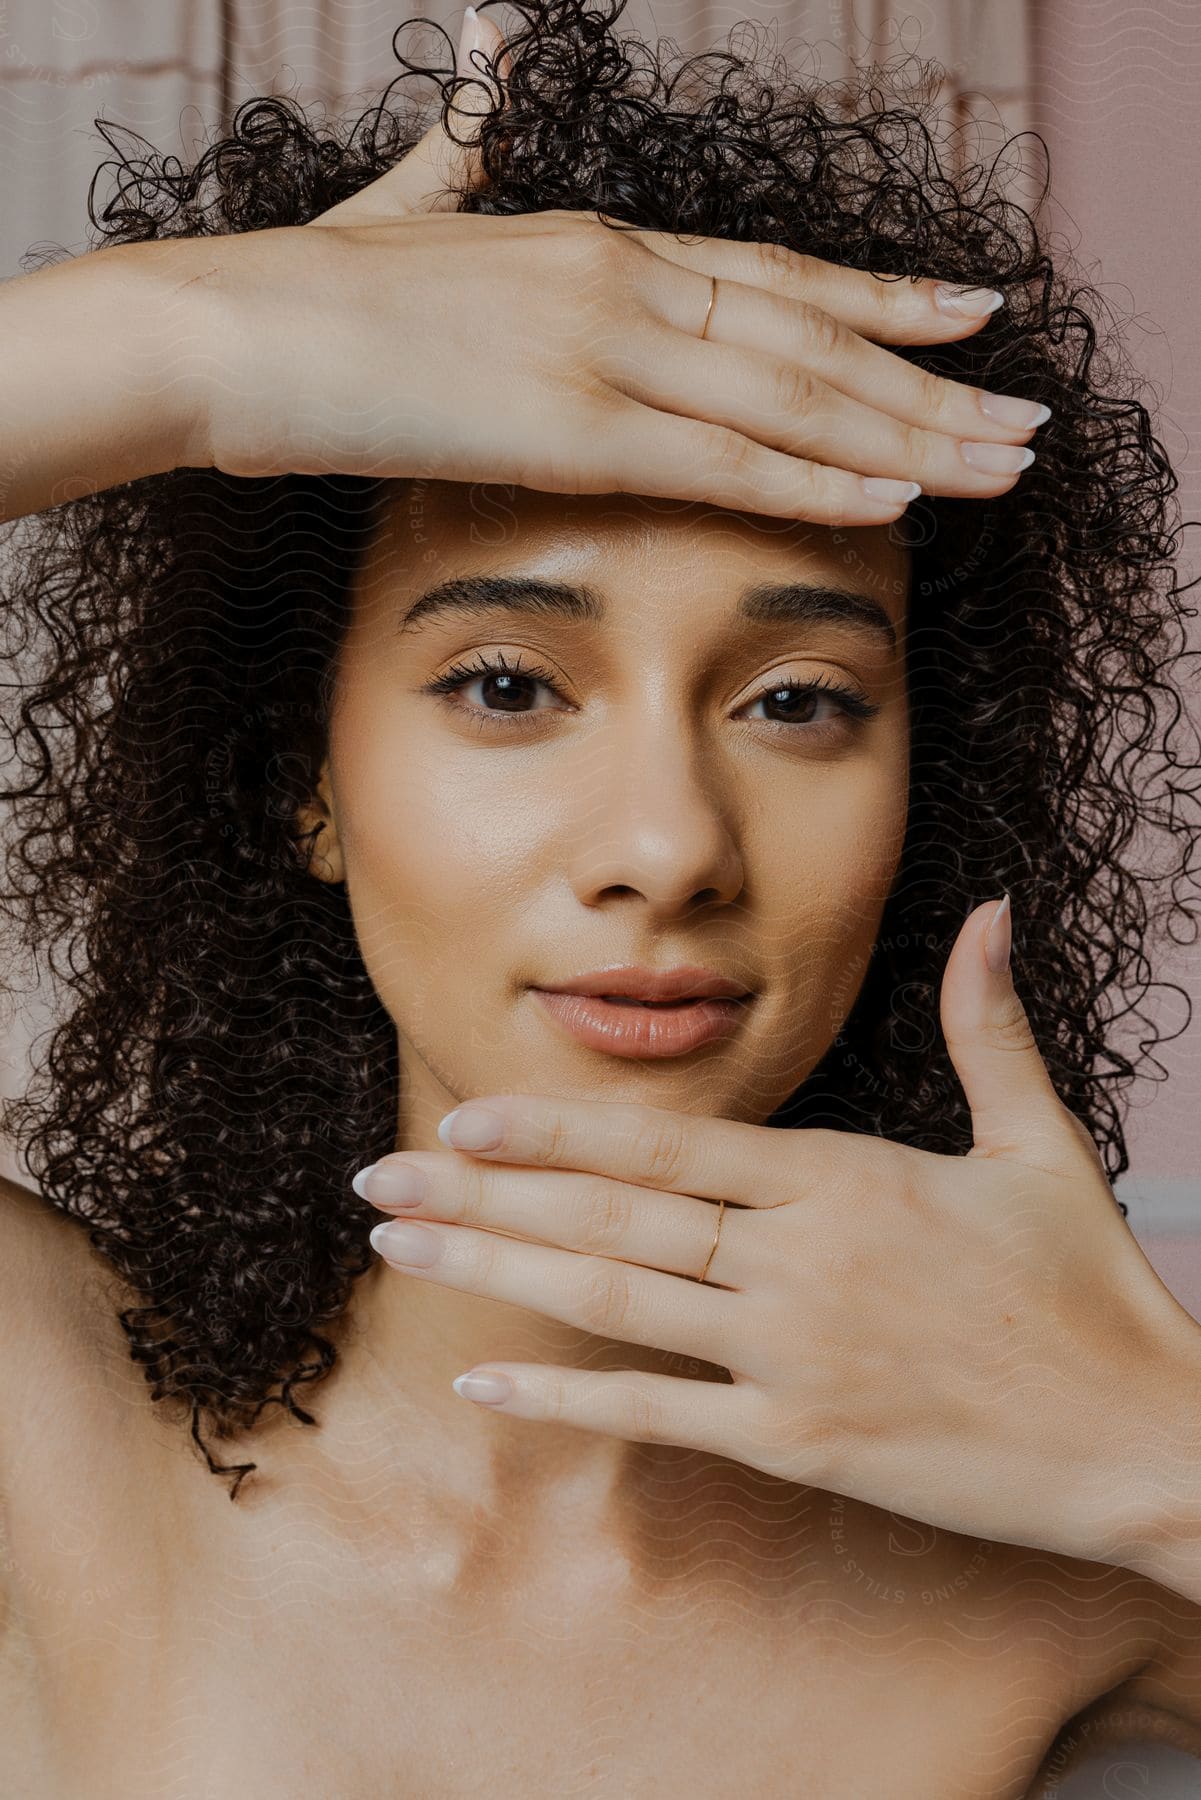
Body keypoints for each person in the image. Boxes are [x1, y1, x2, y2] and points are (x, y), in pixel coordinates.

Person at [2, 1, 1200, 1792]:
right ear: (294, 784)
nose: (668, 844)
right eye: (506, 684)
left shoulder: (1078, 1581)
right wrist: (187, 351)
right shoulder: (45, 1424)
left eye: (796, 703)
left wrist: (1164, 1460)